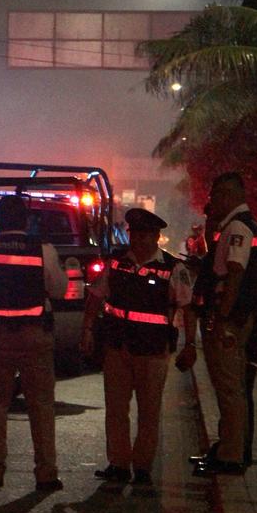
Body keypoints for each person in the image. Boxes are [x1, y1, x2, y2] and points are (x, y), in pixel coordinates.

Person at [0, 194, 68, 492]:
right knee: (41, 406)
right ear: (27, 220)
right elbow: (59, 290)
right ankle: (46, 474)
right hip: (34, 336)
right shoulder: (42, 250)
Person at [79, 208, 192, 486]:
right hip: (118, 347)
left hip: (153, 350)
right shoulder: (117, 263)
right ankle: (118, 464)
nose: (138, 240)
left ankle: (142, 467)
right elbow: (95, 296)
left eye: (144, 235)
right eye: (135, 234)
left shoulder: (172, 268)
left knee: (149, 412)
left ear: (156, 237)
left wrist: (190, 344)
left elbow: (187, 307)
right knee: (116, 410)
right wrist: (88, 329)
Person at [191, 172, 257, 477]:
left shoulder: (237, 227)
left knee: (229, 389)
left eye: (215, 196)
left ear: (227, 195)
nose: (212, 202)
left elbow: (235, 273)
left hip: (230, 321)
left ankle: (230, 455)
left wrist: (222, 316)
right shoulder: (242, 225)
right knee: (231, 388)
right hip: (237, 318)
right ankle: (228, 448)